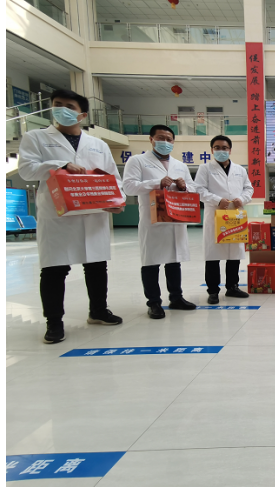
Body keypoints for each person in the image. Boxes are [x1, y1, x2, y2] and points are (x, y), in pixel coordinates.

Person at [18, 89, 124, 343]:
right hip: (58, 216)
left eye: (69, 106)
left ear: (82, 115)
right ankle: (54, 322)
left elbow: (113, 177)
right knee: (55, 268)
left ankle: (98, 310)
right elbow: (26, 170)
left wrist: (118, 201)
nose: (62, 109)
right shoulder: (36, 138)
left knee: (96, 265)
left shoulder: (98, 144)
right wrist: (59, 165)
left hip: (94, 213)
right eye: (58, 104)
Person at [123, 125, 197, 319]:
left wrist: (184, 187)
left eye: (169, 139)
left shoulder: (180, 165)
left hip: (175, 219)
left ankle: (176, 297)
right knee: (151, 261)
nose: (165, 142)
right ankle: (154, 302)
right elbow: (128, 187)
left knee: (174, 260)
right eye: (161, 138)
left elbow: (193, 188)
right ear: (151, 139)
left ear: (173, 142)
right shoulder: (137, 161)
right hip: (152, 221)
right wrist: (156, 183)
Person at [196, 135, 254, 304]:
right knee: (213, 255)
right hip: (215, 215)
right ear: (212, 150)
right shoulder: (205, 168)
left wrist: (242, 199)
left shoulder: (240, 169)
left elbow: (248, 188)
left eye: (224, 148)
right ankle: (213, 291)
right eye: (217, 148)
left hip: (235, 215)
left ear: (230, 150)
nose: (221, 151)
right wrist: (217, 200)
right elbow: (198, 190)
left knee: (234, 253)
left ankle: (232, 287)